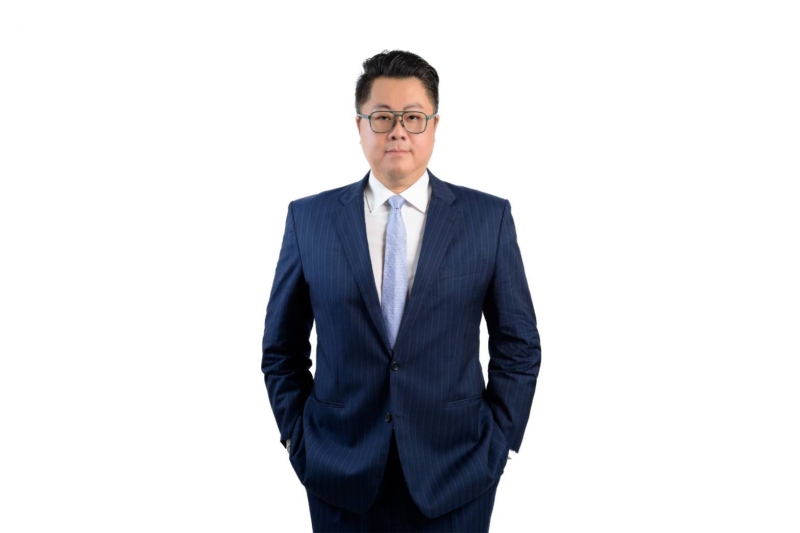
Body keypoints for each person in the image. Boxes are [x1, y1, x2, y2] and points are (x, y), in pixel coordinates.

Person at [261, 49, 542, 532]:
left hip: (458, 472)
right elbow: (281, 348)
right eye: (382, 117)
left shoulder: (487, 219)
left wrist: (500, 441)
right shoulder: (309, 220)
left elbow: (518, 344)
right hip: (338, 470)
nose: (398, 131)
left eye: (413, 117)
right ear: (359, 125)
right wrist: (297, 439)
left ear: (434, 126)